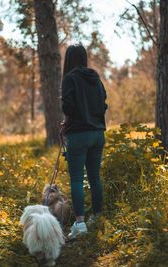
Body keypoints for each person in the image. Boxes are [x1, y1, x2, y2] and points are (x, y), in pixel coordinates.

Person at [61, 44, 108, 239]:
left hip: (78, 135)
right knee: (95, 177)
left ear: (68, 60)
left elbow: (68, 107)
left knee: (77, 179)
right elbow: (103, 103)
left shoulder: (69, 78)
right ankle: (96, 217)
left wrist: (68, 121)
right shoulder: (95, 78)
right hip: (98, 133)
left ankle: (80, 224)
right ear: (84, 58)